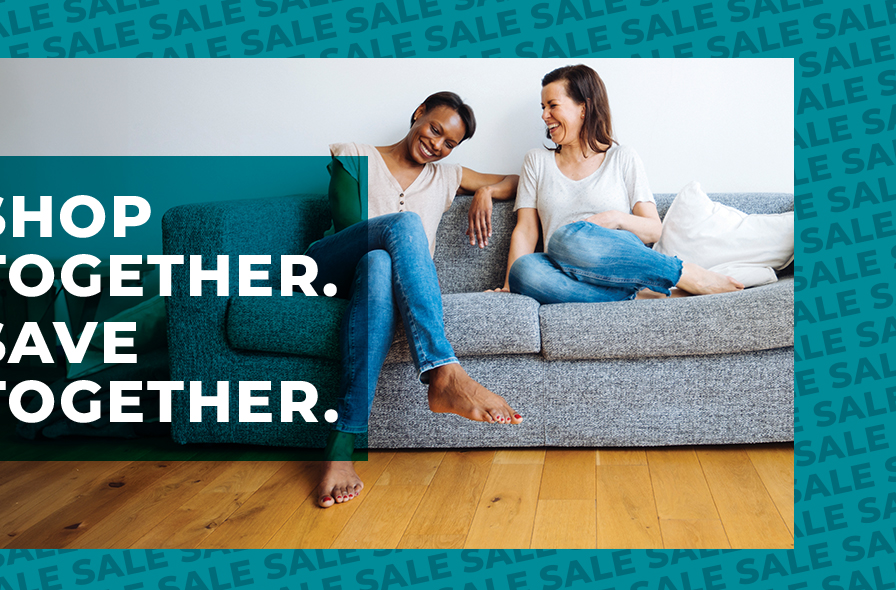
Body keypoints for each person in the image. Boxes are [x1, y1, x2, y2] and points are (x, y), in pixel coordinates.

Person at [306, 92, 521, 508]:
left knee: (380, 267)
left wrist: (485, 192)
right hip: (329, 269)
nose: (437, 145)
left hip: (377, 280)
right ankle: (443, 371)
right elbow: (355, 230)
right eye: (435, 129)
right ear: (419, 114)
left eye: (449, 143)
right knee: (395, 235)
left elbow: (517, 181)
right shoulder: (355, 155)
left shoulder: (447, 175)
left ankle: (341, 446)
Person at [488, 65, 744, 303]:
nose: (545, 115)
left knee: (564, 238)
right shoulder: (536, 161)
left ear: (583, 108)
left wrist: (615, 218)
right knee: (524, 270)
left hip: (615, 257)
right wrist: (510, 285)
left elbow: (654, 229)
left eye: (553, 105)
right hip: (562, 271)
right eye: (543, 107)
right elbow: (526, 230)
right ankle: (633, 296)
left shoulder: (622, 157)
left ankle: (685, 274)